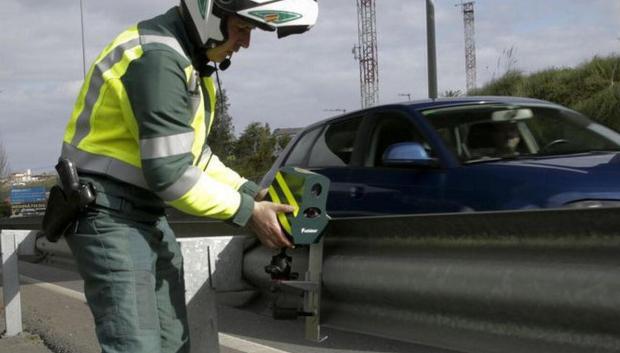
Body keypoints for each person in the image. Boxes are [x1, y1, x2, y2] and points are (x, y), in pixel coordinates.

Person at [58, 1, 318, 352]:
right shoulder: (159, 61)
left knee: (172, 341)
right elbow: (171, 175)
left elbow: (195, 157)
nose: (245, 43)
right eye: (242, 29)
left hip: (142, 211)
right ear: (210, 15)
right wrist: (248, 212)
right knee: (136, 345)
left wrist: (253, 192)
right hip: (106, 212)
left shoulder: (187, 63)